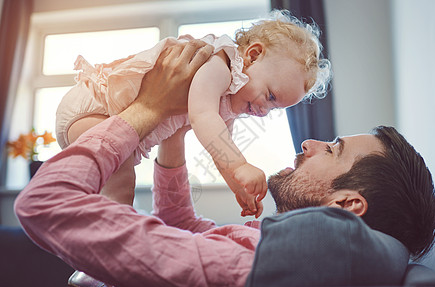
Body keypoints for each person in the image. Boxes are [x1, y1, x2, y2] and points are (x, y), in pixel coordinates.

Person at [14, 36, 435, 287]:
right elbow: (177, 223)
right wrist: (174, 131)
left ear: (349, 206)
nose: (309, 141)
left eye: (332, 149)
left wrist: (146, 109)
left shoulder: (270, 260)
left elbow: (44, 202)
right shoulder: (264, 239)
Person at [55, 9, 332, 217]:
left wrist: (239, 187)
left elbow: (221, 146)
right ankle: (97, 263)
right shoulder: (219, 64)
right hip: (94, 109)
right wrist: (240, 166)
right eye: (270, 96)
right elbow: (203, 117)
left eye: (274, 108)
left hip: (116, 125)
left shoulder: (231, 102)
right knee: (120, 191)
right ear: (253, 55)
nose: (264, 109)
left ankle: (95, 264)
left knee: (117, 194)